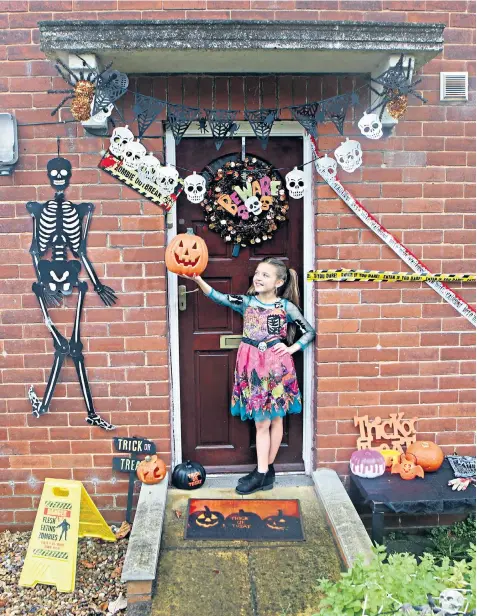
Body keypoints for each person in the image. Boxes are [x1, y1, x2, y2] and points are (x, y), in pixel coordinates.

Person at [182, 257, 315, 495]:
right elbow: (218, 296)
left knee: (273, 419)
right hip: (252, 367)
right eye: (257, 273)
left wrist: (292, 348)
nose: (258, 277)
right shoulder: (246, 302)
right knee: (264, 420)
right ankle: (265, 472)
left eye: (265, 274)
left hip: (276, 368)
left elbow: (308, 332)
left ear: (279, 282)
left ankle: (263, 472)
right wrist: (198, 279)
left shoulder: (285, 307)